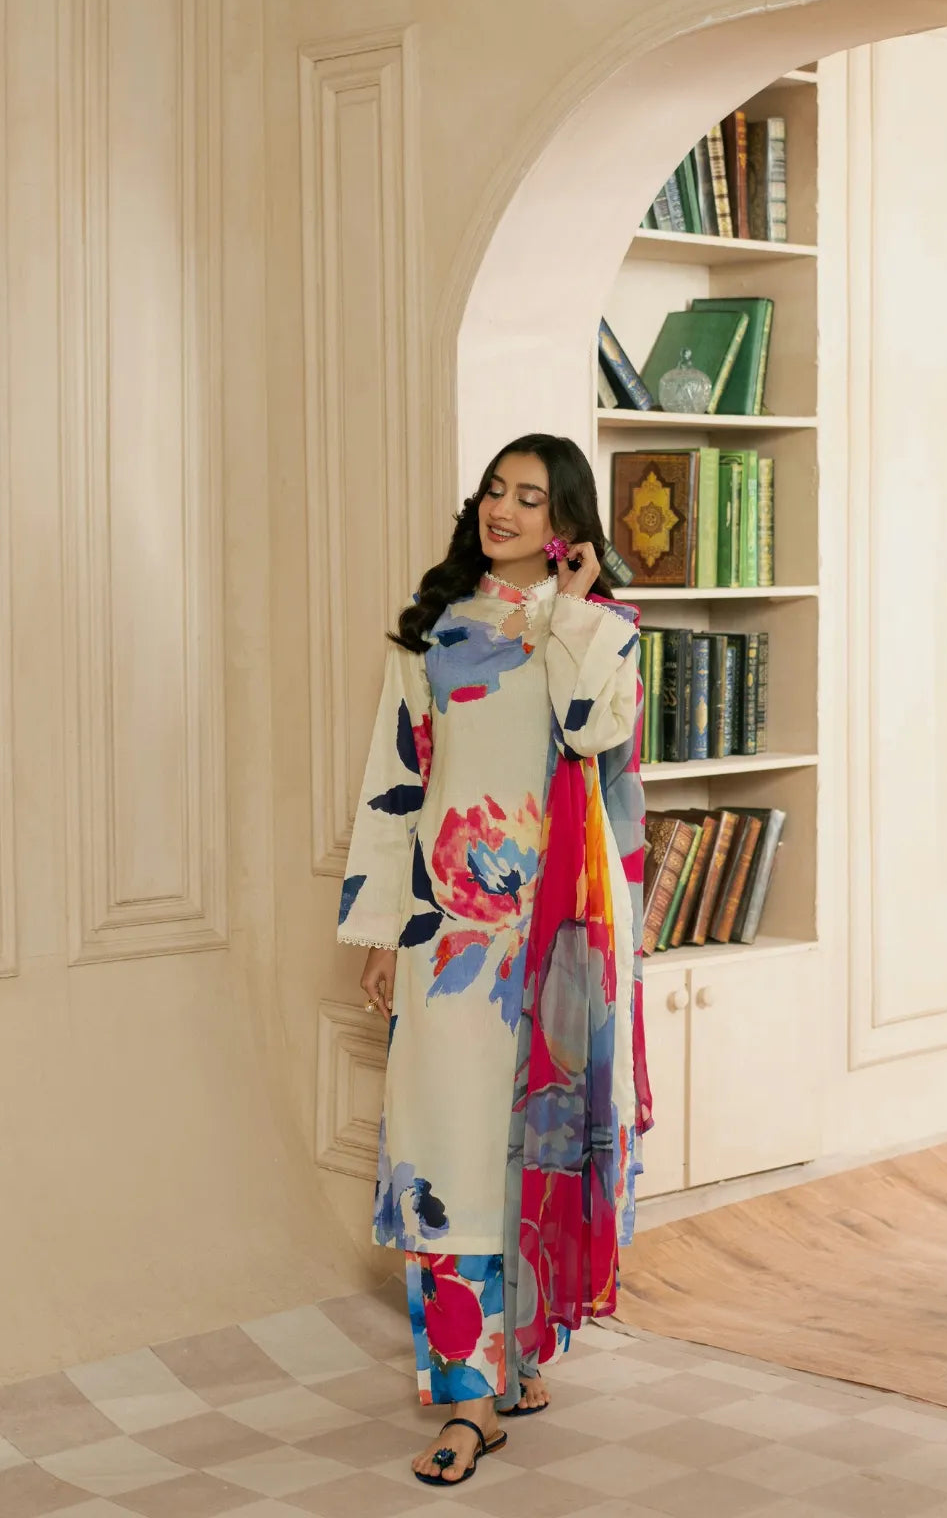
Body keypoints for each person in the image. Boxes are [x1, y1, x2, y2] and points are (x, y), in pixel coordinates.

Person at [336, 433, 652, 1487]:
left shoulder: (599, 631)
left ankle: (515, 1358)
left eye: (529, 497)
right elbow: (394, 786)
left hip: (562, 939)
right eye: (493, 491)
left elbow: (587, 730)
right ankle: (468, 1402)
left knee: (535, 1144)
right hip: (451, 934)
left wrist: (573, 608)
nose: (501, 509)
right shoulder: (431, 632)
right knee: (445, 1150)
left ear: (564, 524)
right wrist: (382, 929)